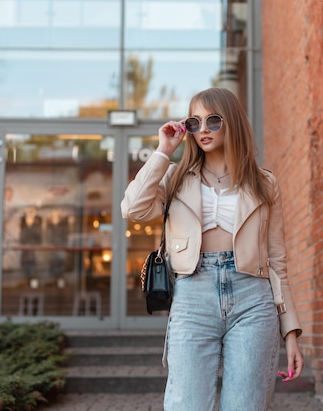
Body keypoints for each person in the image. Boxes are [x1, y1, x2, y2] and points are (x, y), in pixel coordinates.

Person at [121, 87, 303, 411]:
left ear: (231, 122)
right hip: (193, 296)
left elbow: (277, 261)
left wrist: (290, 331)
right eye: (195, 122)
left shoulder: (263, 182)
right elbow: (132, 208)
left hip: (253, 299)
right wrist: (164, 151)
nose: (203, 129)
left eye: (213, 120)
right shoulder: (176, 178)